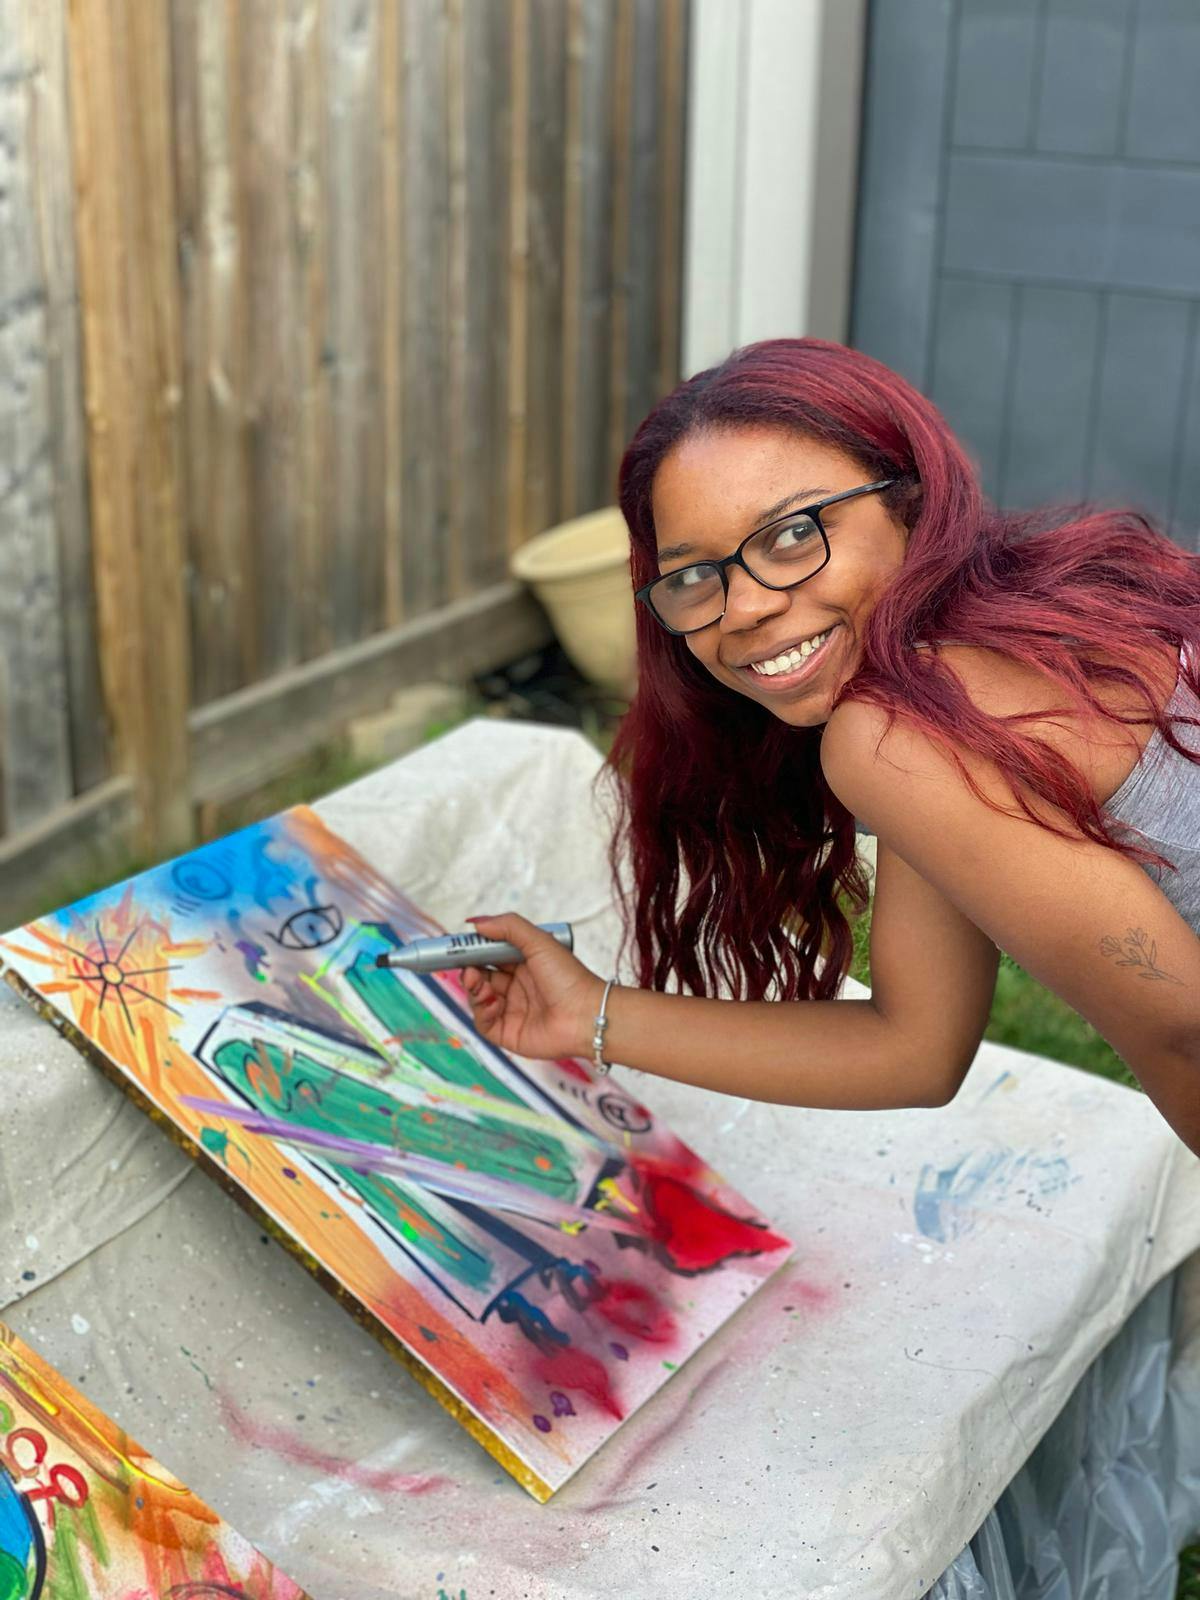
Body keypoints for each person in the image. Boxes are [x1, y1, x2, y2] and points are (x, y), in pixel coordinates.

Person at [462, 338, 1200, 1157]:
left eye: (790, 536)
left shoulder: (889, 735)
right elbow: (916, 1048)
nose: (741, 610)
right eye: (696, 577)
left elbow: (1184, 1031)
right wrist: (588, 1010)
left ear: (912, 505)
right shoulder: (986, 669)